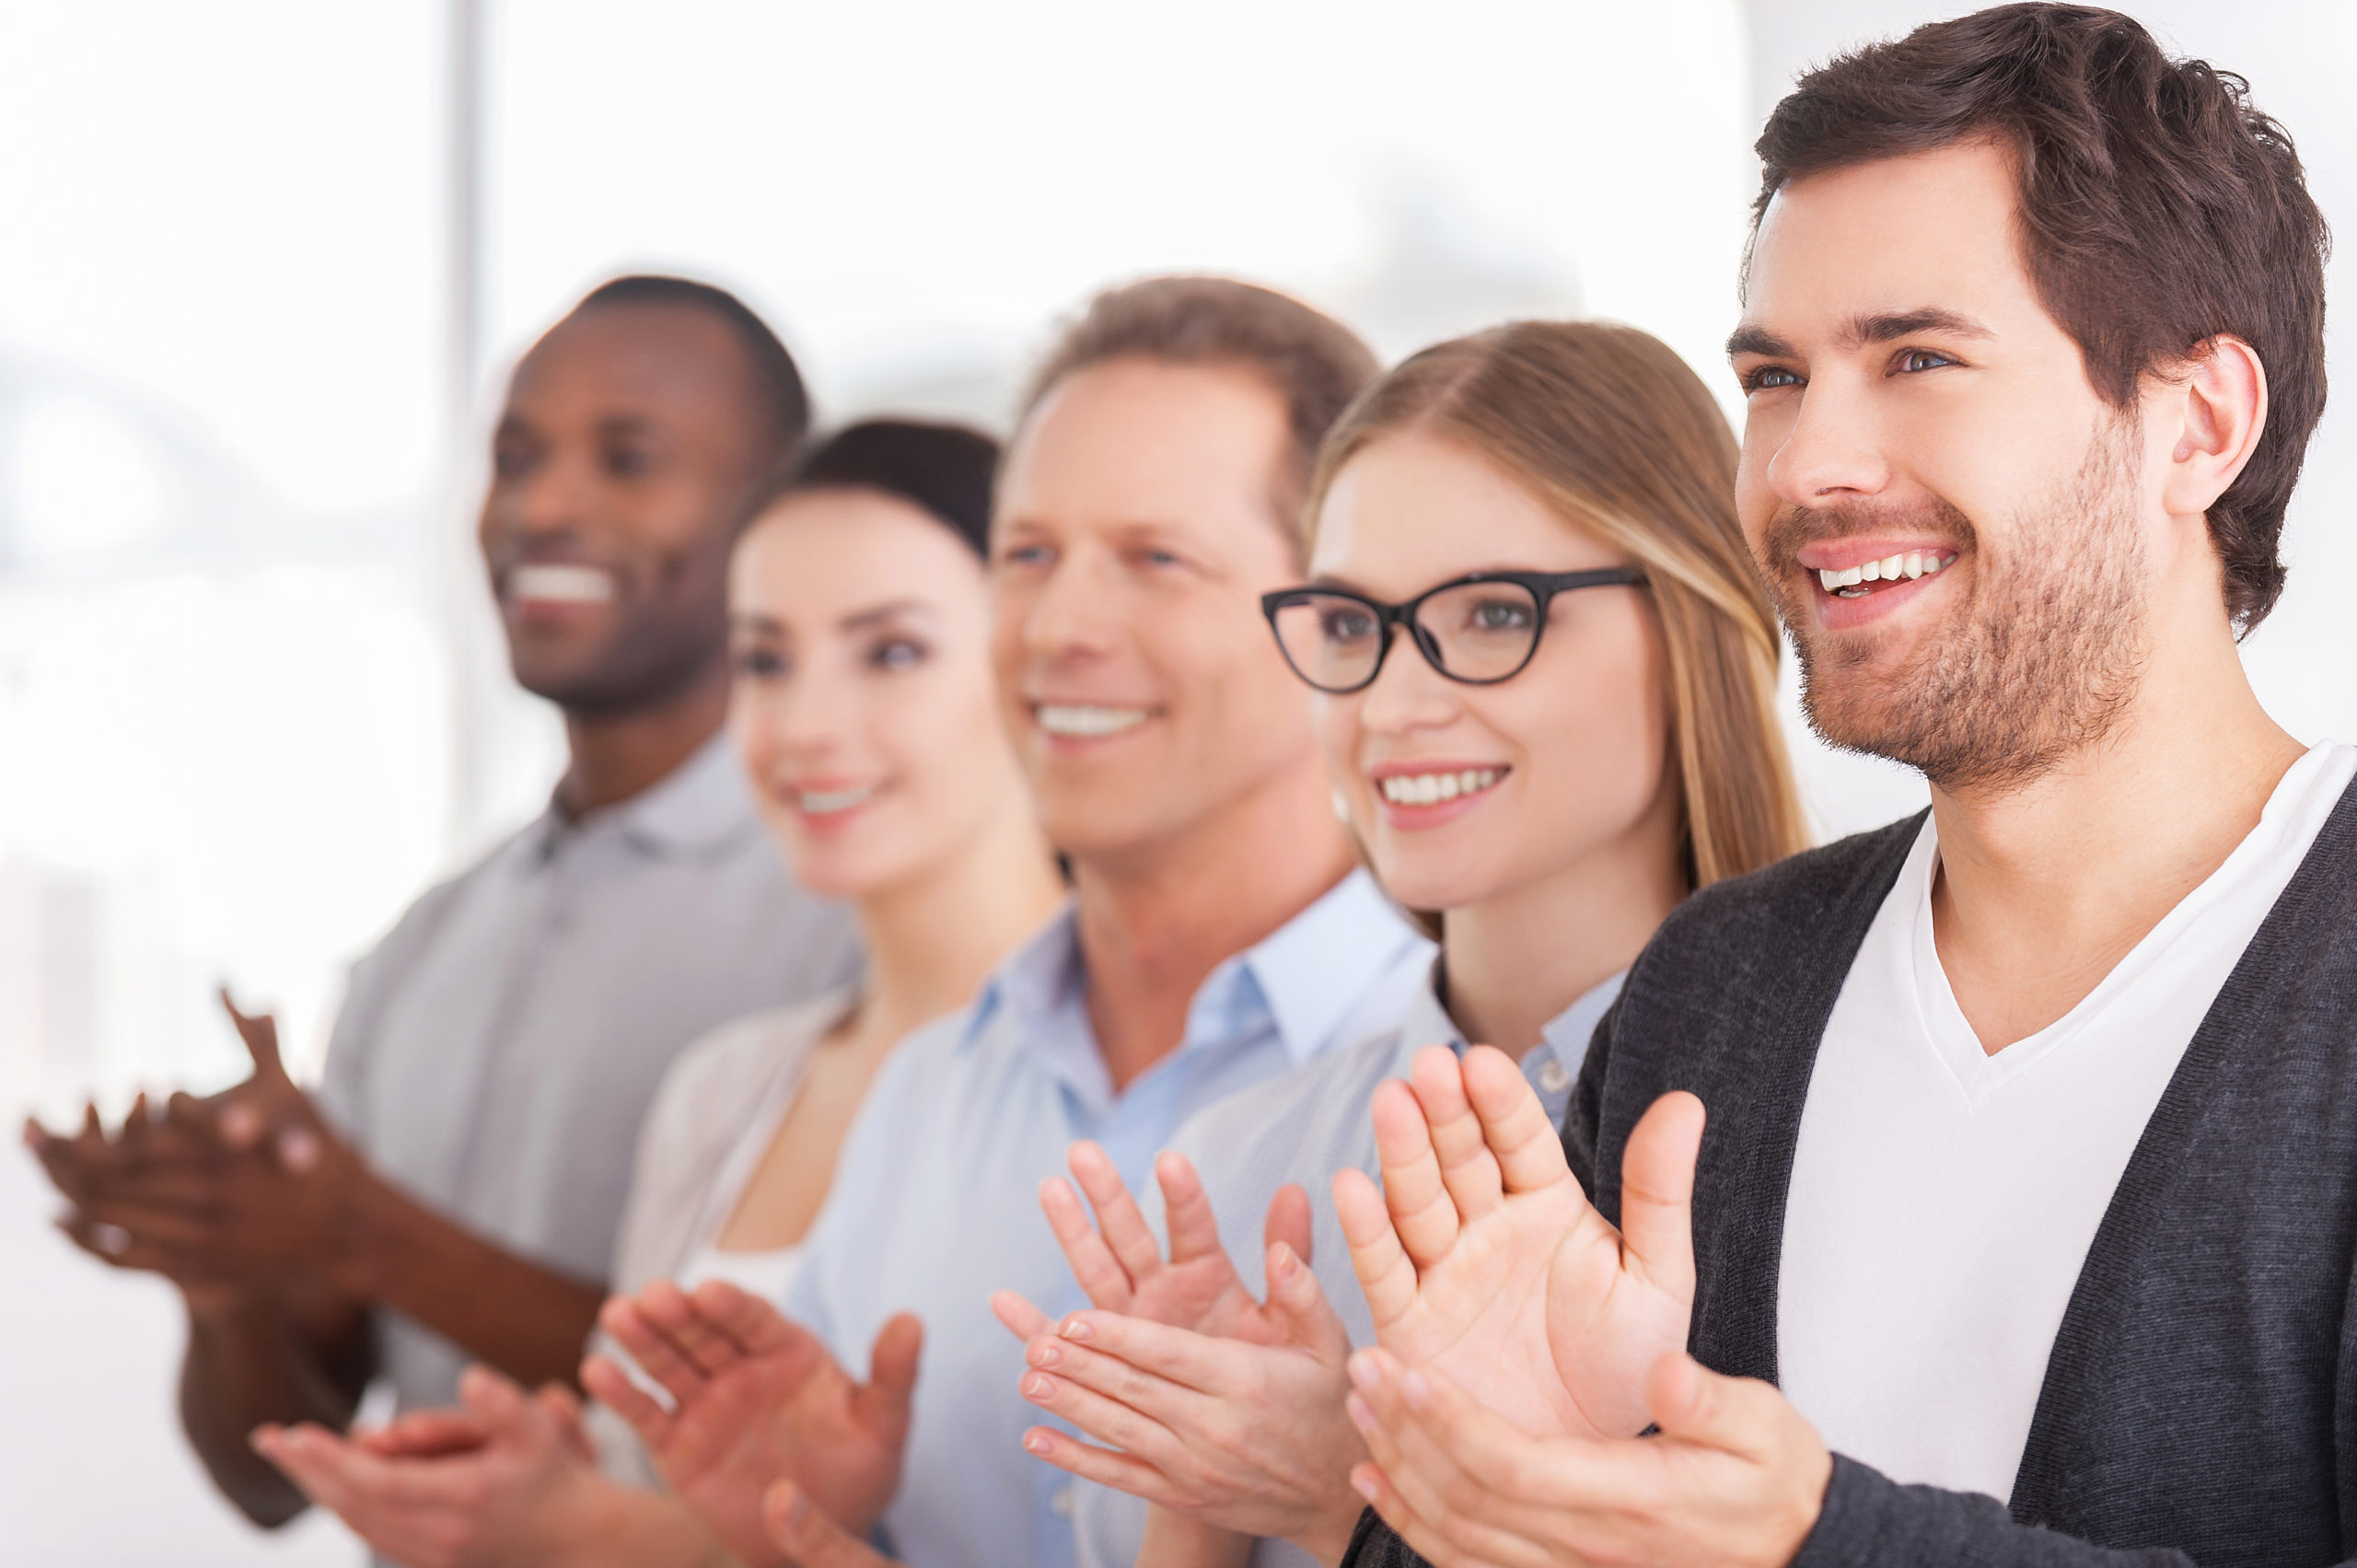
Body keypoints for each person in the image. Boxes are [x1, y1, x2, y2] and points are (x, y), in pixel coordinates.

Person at [1328, 7, 2357, 1567]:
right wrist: (1499, 1496)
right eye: (1777, 377)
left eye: (1918, 357)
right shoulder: (1717, 989)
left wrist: (1814, 1541)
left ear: (2197, 423)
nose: (1807, 466)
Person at [591, 276, 1434, 1568]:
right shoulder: (925, 1096)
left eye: (1157, 559)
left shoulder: (1456, 1090)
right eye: (1027, 556)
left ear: (1340, 614)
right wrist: (800, 1524)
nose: (1059, 627)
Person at [23, 274, 861, 1529]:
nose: (543, 504)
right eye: (513, 455)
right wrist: (234, 1261)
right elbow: (266, 1478)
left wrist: (354, 1226)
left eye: (626, 457)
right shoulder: (429, 941)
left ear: (780, 514)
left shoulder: (846, 917)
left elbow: (806, 1410)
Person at [993, 319, 1810, 1568]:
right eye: (1347, 624)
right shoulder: (1249, 1159)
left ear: (1691, 620)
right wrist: (1207, 1481)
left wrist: (1349, 1494)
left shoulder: (1839, 1116)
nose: (1391, 705)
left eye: (1492, 612)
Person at [233, 420, 1068, 1568]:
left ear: (1039, 665)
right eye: (767, 659)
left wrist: (602, 1534)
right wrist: (552, 1492)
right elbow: (653, 1493)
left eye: (891, 653)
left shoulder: (1121, 1074)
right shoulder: (726, 1089)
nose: (807, 726)